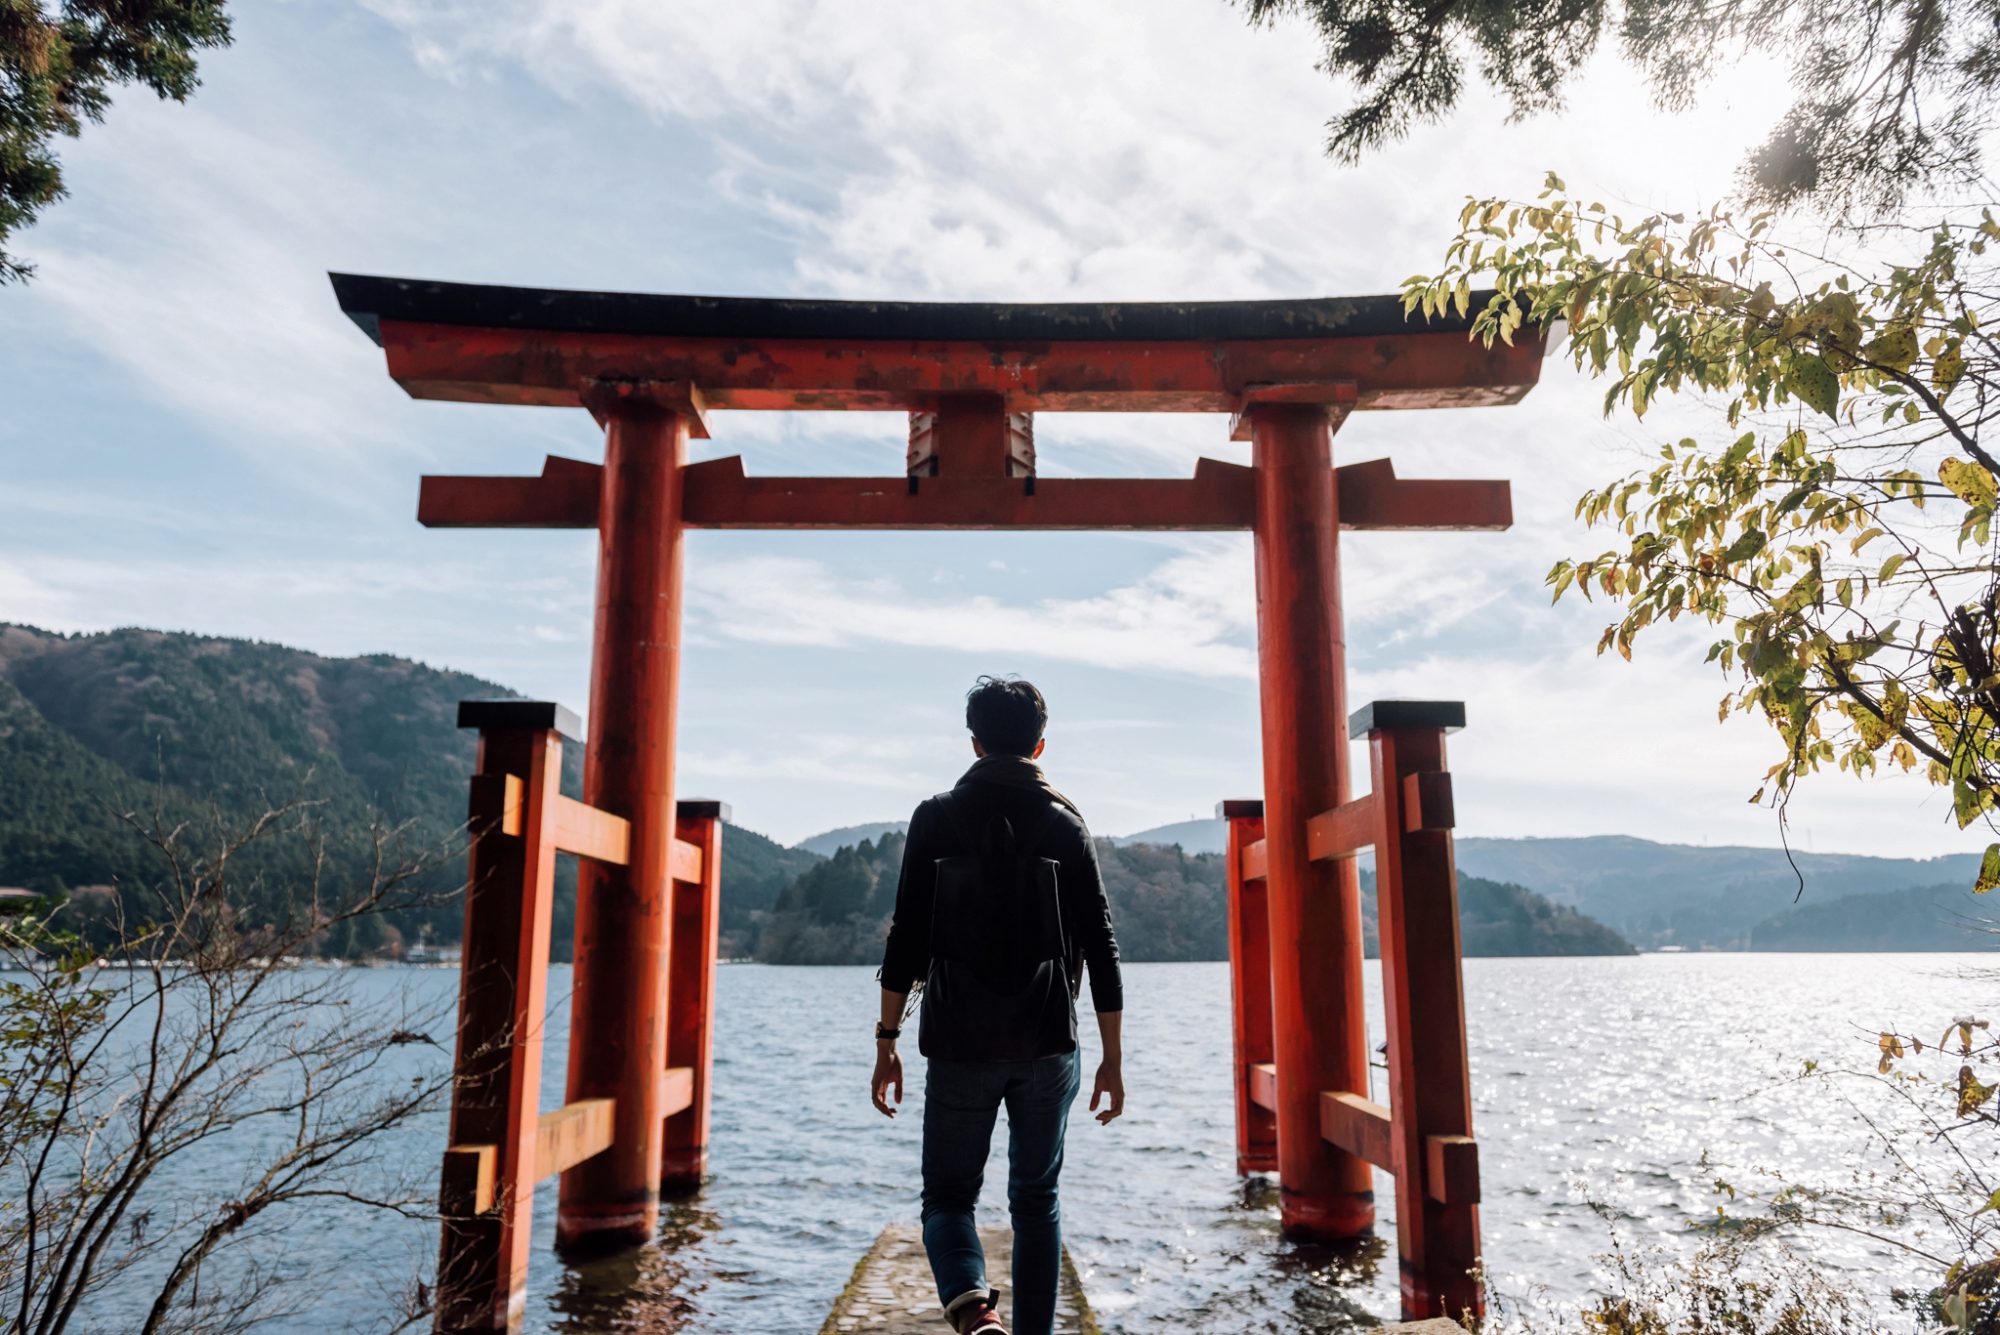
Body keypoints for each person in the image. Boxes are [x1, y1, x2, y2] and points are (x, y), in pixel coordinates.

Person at [871, 675, 1125, 1335]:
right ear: (1040, 745)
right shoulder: (1067, 823)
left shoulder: (935, 816)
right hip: (1048, 1042)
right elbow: (1101, 945)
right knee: (1036, 1201)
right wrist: (1113, 1059)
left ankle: (975, 1312)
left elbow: (905, 938)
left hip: (958, 1040)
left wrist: (887, 1042)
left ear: (975, 742)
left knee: (948, 1198)